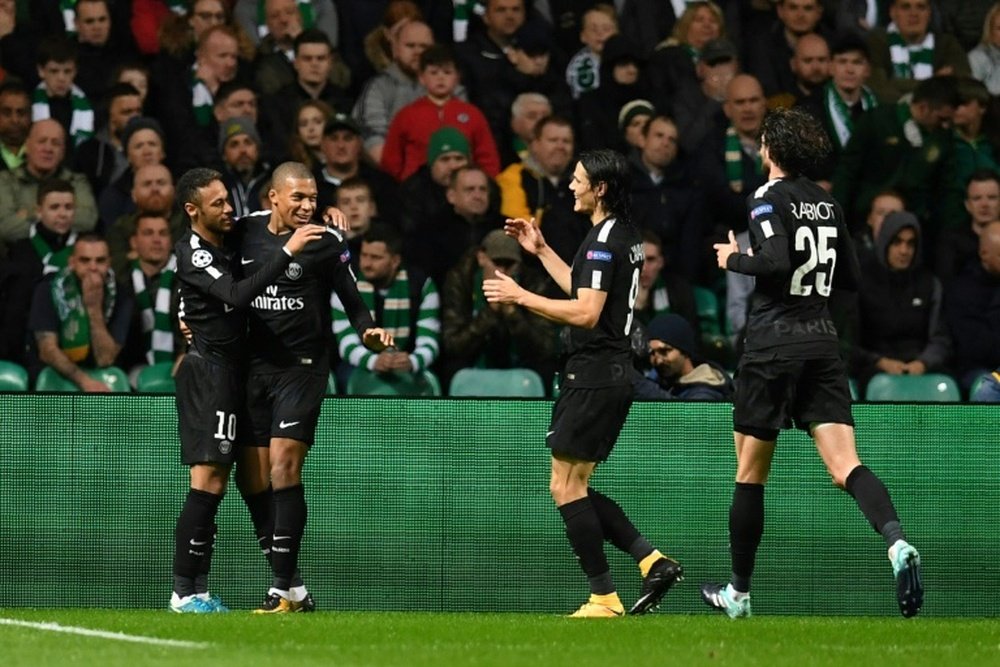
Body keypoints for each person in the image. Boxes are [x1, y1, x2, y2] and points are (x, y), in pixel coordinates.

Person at [703, 107, 923, 619]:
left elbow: (775, 261)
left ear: (770, 151)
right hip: (821, 344)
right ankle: (895, 542)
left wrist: (732, 258)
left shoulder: (764, 198)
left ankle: (738, 592)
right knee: (846, 465)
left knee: (750, 474)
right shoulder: (828, 203)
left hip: (771, 344)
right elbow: (849, 278)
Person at [482, 149, 683, 618]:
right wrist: (542, 251)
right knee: (572, 484)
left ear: (601, 189)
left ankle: (604, 597)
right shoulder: (623, 234)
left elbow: (586, 312)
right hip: (609, 372)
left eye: (577, 180)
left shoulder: (602, 238)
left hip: (593, 373)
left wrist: (519, 294)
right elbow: (583, 288)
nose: (570, 186)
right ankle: (652, 561)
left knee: (564, 485)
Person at [235, 161, 392, 613]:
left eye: (312, 198)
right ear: (274, 198)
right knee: (252, 480)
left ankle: (280, 589)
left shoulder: (326, 242)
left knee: (284, 466)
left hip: (303, 368)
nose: (307, 206)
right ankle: (297, 588)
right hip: (253, 369)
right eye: (298, 198)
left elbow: (353, 300)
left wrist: (368, 332)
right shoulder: (244, 233)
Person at [169, 166, 326, 613]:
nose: (228, 209)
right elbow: (237, 296)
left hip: (240, 374)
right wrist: (289, 251)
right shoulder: (195, 252)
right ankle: (187, 591)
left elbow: (267, 216)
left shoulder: (229, 237)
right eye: (217, 203)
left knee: (254, 480)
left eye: (227, 199)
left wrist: (323, 216)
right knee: (209, 480)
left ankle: (288, 585)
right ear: (192, 210)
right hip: (210, 375)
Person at [850, 210, 952, 393]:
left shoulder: (929, 284)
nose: (904, 251)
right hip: (874, 367)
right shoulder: (861, 283)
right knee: (883, 387)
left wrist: (923, 362)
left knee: (945, 387)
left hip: (919, 366)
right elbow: (848, 343)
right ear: (885, 243)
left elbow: (941, 338)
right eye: (897, 242)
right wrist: (880, 362)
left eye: (910, 244)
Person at [27, 233, 133, 391]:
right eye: (85, 260)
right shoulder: (49, 289)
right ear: (72, 262)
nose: (93, 267)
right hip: (56, 374)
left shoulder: (122, 295)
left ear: (109, 263)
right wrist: (84, 381)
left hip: (100, 373)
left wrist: (93, 309)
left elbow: (105, 358)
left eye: (100, 260)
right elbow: (47, 350)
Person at [632, 313, 733, 401]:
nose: (658, 360)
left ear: (685, 352)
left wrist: (637, 382)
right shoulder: (658, 376)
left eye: (665, 351)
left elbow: (684, 417)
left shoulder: (706, 391)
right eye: (652, 353)